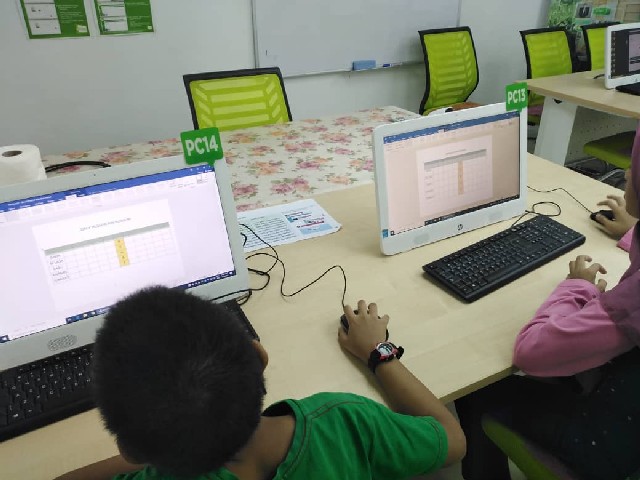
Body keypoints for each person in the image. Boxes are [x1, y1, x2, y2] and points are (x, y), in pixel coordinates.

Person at [54, 288, 465, 480]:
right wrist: (378, 352)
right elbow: (453, 440)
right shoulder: (346, 422)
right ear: (259, 356)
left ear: (129, 450)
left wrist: (157, 444)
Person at [455, 135, 640, 480]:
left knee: (477, 387)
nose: (627, 173)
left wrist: (577, 287)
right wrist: (634, 231)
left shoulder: (631, 306)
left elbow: (531, 353)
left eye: (635, 167)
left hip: (607, 445)